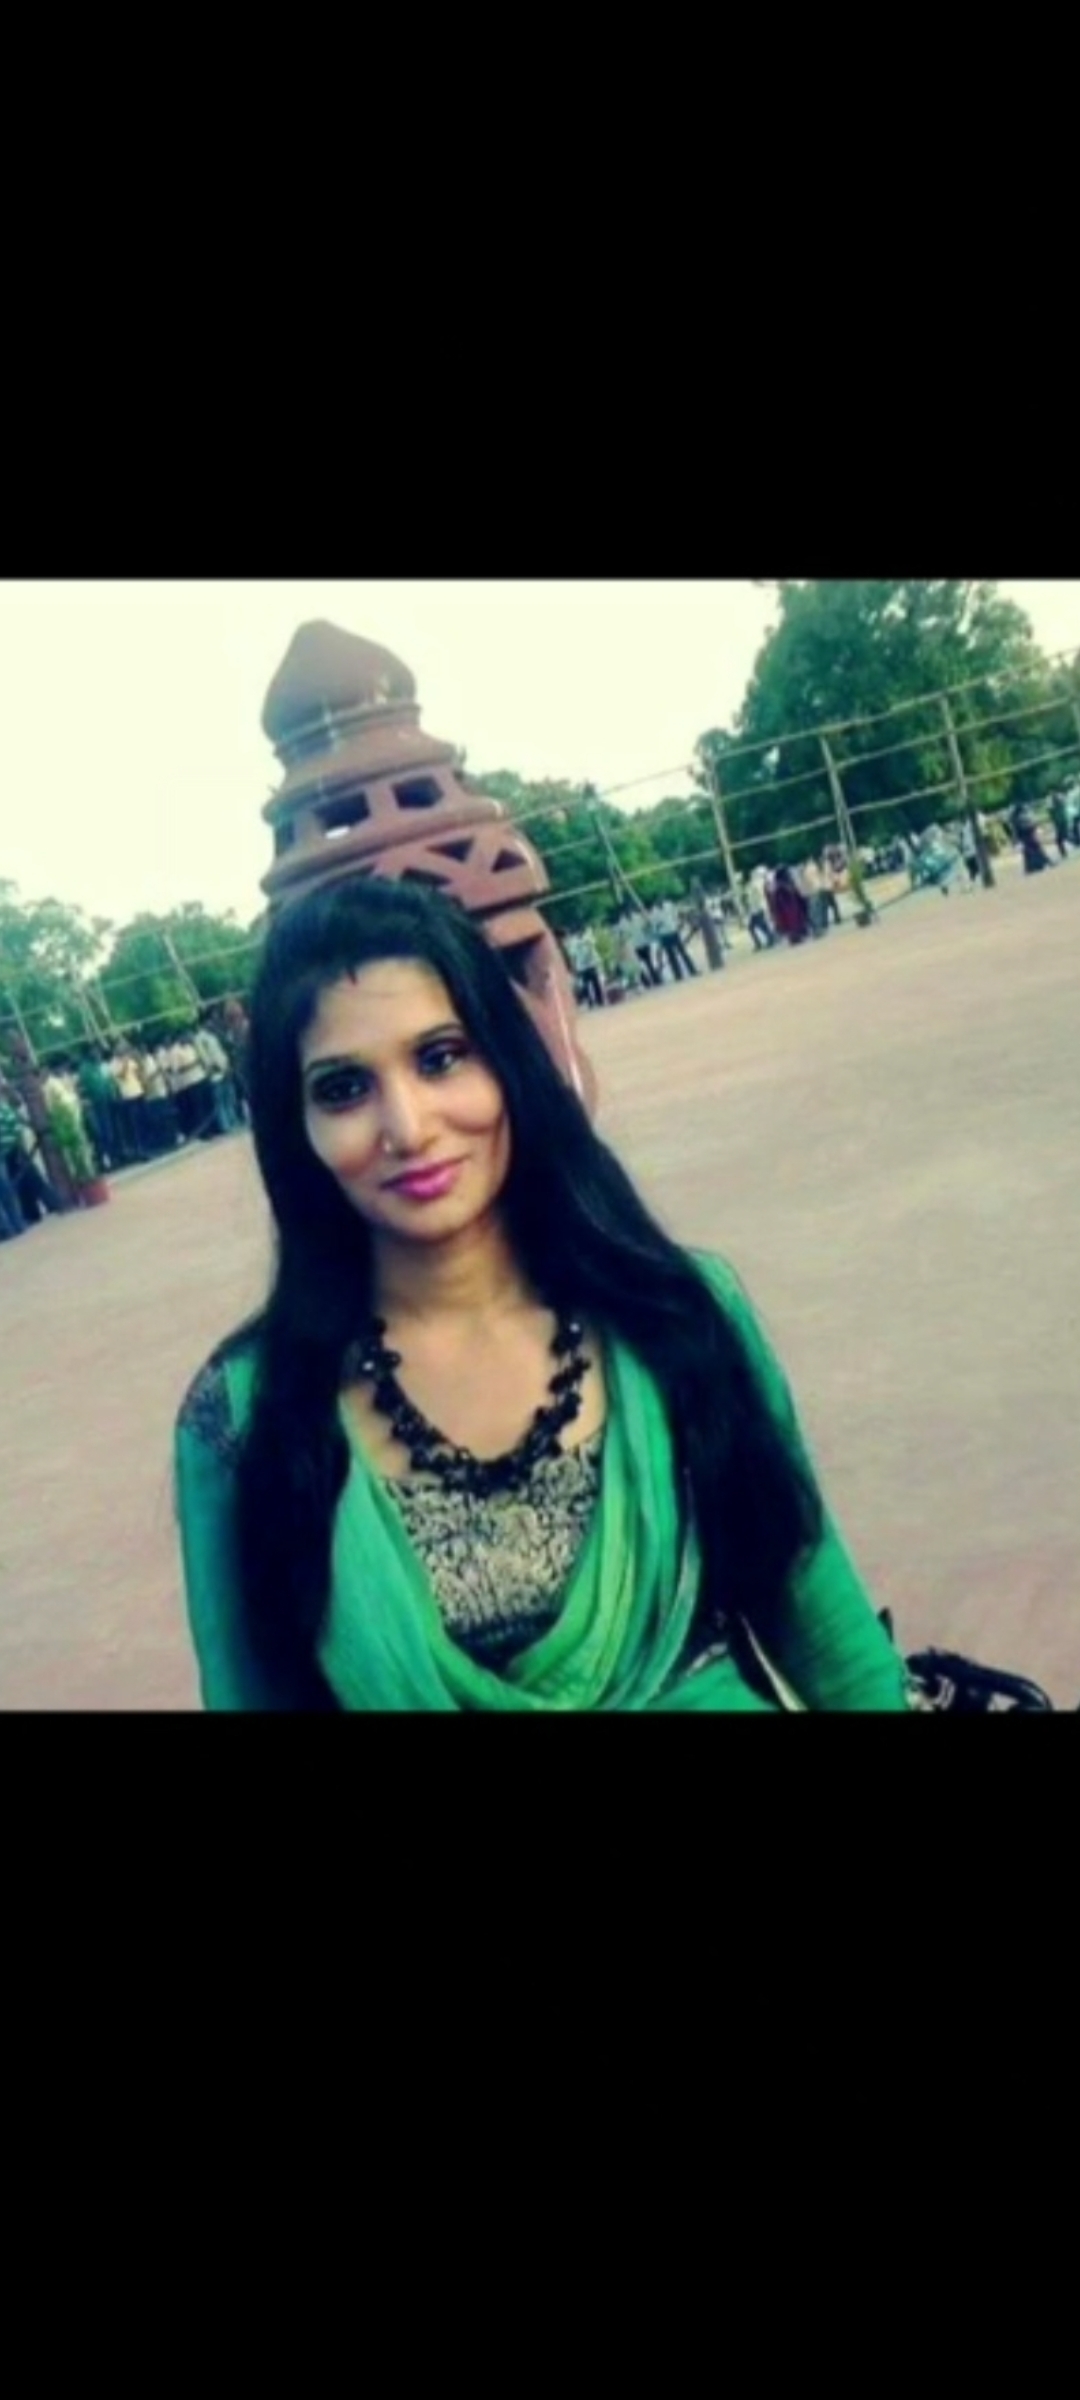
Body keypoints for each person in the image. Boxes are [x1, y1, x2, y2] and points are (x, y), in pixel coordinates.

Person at [174, 878, 909, 1713]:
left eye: (440, 1057)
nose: (409, 1128)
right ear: (295, 1128)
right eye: (343, 1088)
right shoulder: (245, 1416)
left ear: (506, 1062)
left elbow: (825, 1629)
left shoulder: (671, 1312)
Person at [650, 897, 697, 982]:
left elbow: (676, 915)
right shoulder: (654, 911)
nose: (660, 900)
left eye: (661, 898)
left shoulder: (668, 905)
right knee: (671, 956)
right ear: (655, 901)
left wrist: (679, 924)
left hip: (673, 931)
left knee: (683, 952)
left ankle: (693, 971)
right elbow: (654, 924)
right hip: (664, 934)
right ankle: (678, 975)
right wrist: (658, 927)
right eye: (658, 899)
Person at [745, 865, 775, 952]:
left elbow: (760, 896)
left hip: (757, 908)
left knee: (757, 926)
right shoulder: (753, 884)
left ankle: (766, 940)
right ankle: (766, 940)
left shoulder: (756, 884)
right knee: (758, 926)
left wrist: (760, 906)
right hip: (755, 909)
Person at [1049, 793, 1070, 862]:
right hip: (1062, 823)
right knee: (1062, 838)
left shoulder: (1055, 807)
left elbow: (1053, 815)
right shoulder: (1060, 805)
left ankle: (1064, 853)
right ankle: (1064, 853)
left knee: (1061, 839)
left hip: (1060, 824)